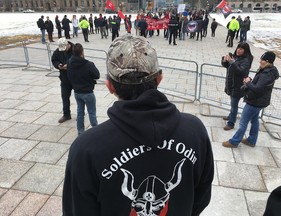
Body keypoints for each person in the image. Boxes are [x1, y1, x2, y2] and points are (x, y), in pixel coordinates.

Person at [62, 35, 214, 216]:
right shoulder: (195, 132)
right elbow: (201, 198)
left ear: (110, 86)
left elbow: (77, 211)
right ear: (159, 78)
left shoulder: (85, 148)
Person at [223, 51, 279, 147]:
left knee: (243, 123)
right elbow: (260, 85)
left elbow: (258, 89)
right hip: (259, 101)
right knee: (254, 120)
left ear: (268, 61)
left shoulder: (267, 74)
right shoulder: (267, 71)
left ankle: (234, 142)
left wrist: (248, 83)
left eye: (262, 60)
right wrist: (250, 81)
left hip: (255, 101)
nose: (260, 61)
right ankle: (251, 140)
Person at [67, 43, 100, 135]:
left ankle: (80, 132)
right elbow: (97, 75)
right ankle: (96, 133)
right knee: (92, 112)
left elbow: (69, 76)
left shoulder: (69, 62)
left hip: (77, 92)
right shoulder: (88, 64)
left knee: (80, 112)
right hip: (88, 92)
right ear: (82, 52)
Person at [221, 42, 254, 130]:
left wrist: (232, 62)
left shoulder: (246, 60)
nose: (238, 50)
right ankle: (230, 115)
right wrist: (225, 61)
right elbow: (228, 66)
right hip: (231, 84)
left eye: (241, 49)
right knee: (232, 103)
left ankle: (231, 123)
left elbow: (241, 72)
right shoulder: (236, 57)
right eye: (238, 48)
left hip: (238, 86)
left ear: (245, 51)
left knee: (234, 105)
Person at [51, 38, 74, 123]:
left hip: (75, 78)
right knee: (65, 97)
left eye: (64, 48)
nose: (63, 50)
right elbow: (54, 60)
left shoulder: (75, 49)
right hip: (64, 78)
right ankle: (66, 114)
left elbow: (81, 60)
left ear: (68, 45)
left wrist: (70, 65)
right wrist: (59, 65)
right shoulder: (58, 50)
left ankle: (81, 112)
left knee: (80, 97)